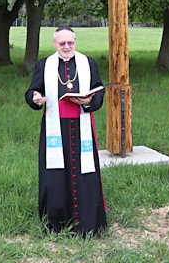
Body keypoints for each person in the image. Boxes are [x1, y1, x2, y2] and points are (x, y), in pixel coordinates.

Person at [25, 26, 107, 237]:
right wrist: (35, 98)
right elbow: (33, 91)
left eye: (70, 42)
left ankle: (88, 223)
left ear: (75, 41)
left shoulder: (88, 63)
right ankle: (56, 223)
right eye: (62, 43)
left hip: (81, 126)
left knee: (84, 172)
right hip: (55, 128)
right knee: (55, 175)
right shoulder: (45, 64)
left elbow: (98, 88)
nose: (67, 47)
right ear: (55, 44)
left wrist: (90, 101)